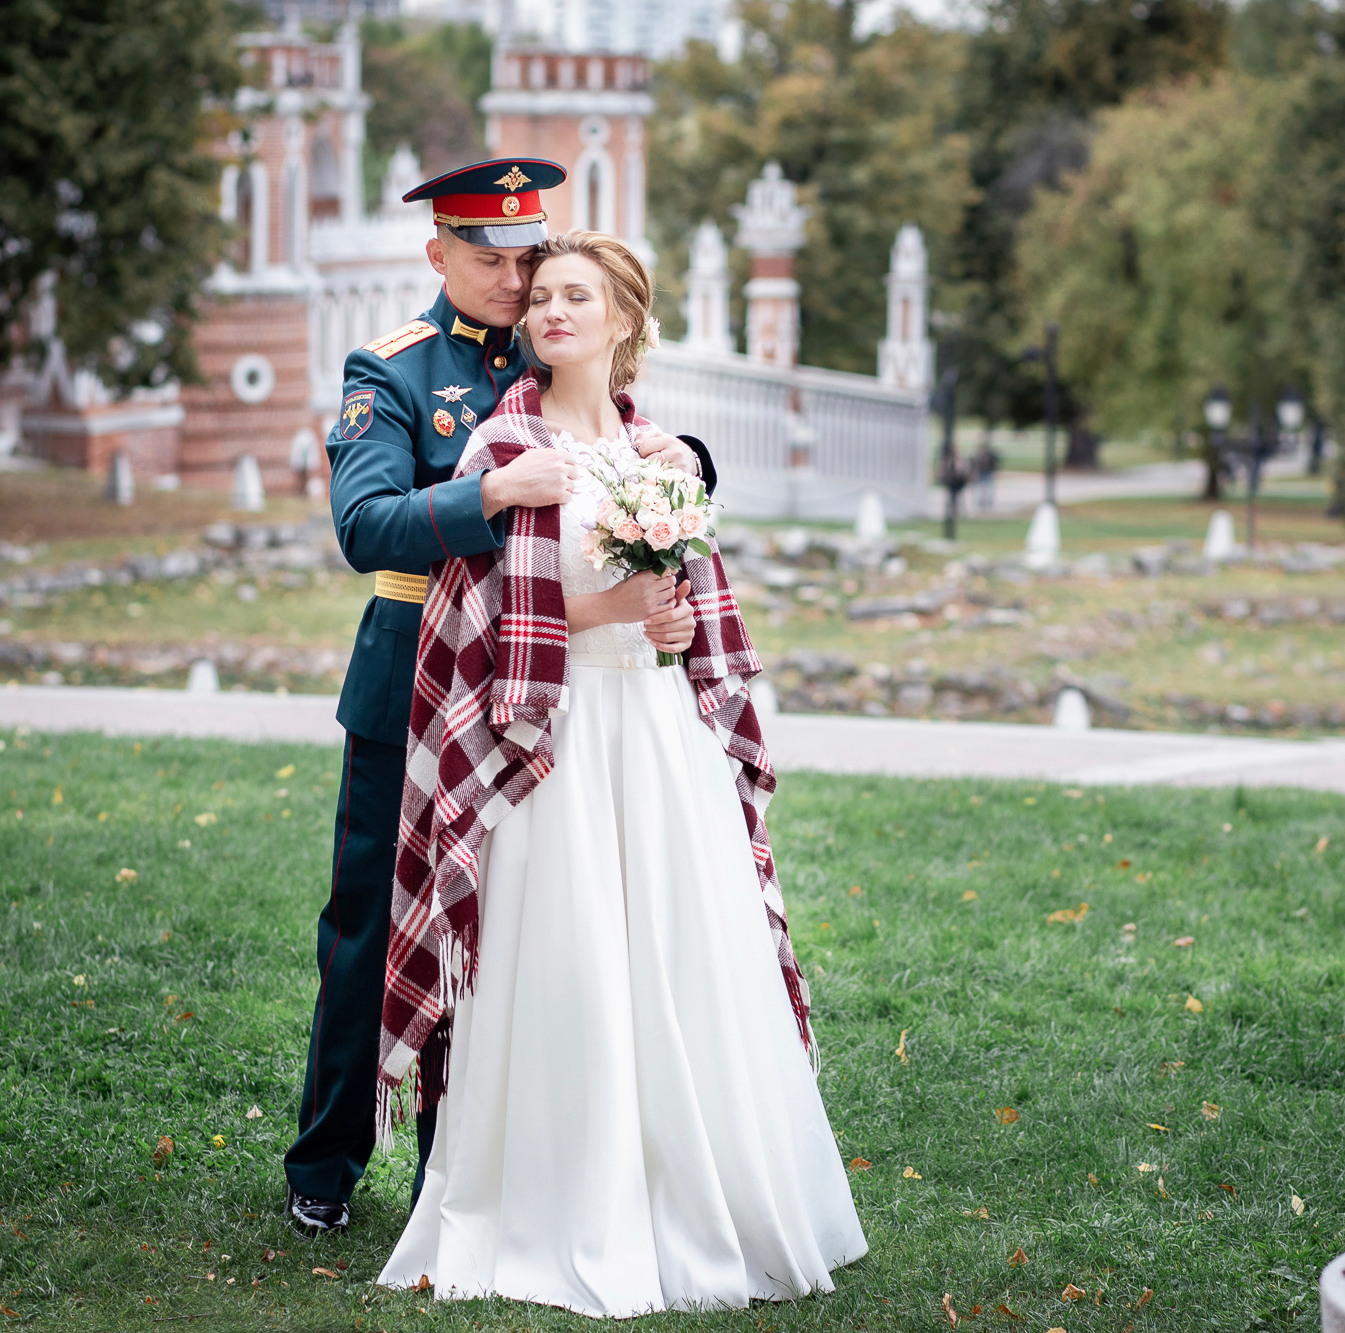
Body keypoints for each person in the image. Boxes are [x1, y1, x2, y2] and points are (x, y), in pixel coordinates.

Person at [373, 231, 866, 1316]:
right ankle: (561, 1202)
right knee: (572, 960)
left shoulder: (661, 453)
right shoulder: (504, 443)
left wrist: (673, 623)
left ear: (624, 319)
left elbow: (685, 601)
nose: (550, 312)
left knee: (684, 957)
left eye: (575, 297)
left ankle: (701, 1190)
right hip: (554, 739)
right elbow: (481, 611)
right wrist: (609, 609)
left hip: (656, 733)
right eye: (540, 297)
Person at [283, 160, 714, 1236]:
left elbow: (624, 437)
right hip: (416, 678)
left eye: (530, 259)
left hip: (544, 688)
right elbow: (363, 526)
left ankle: (461, 1172)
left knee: (507, 929)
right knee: (375, 922)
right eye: (491, 261)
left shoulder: (551, 339)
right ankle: (327, 1163)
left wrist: (692, 458)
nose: (520, 283)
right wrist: (487, 492)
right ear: (438, 254)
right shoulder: (392, 369)